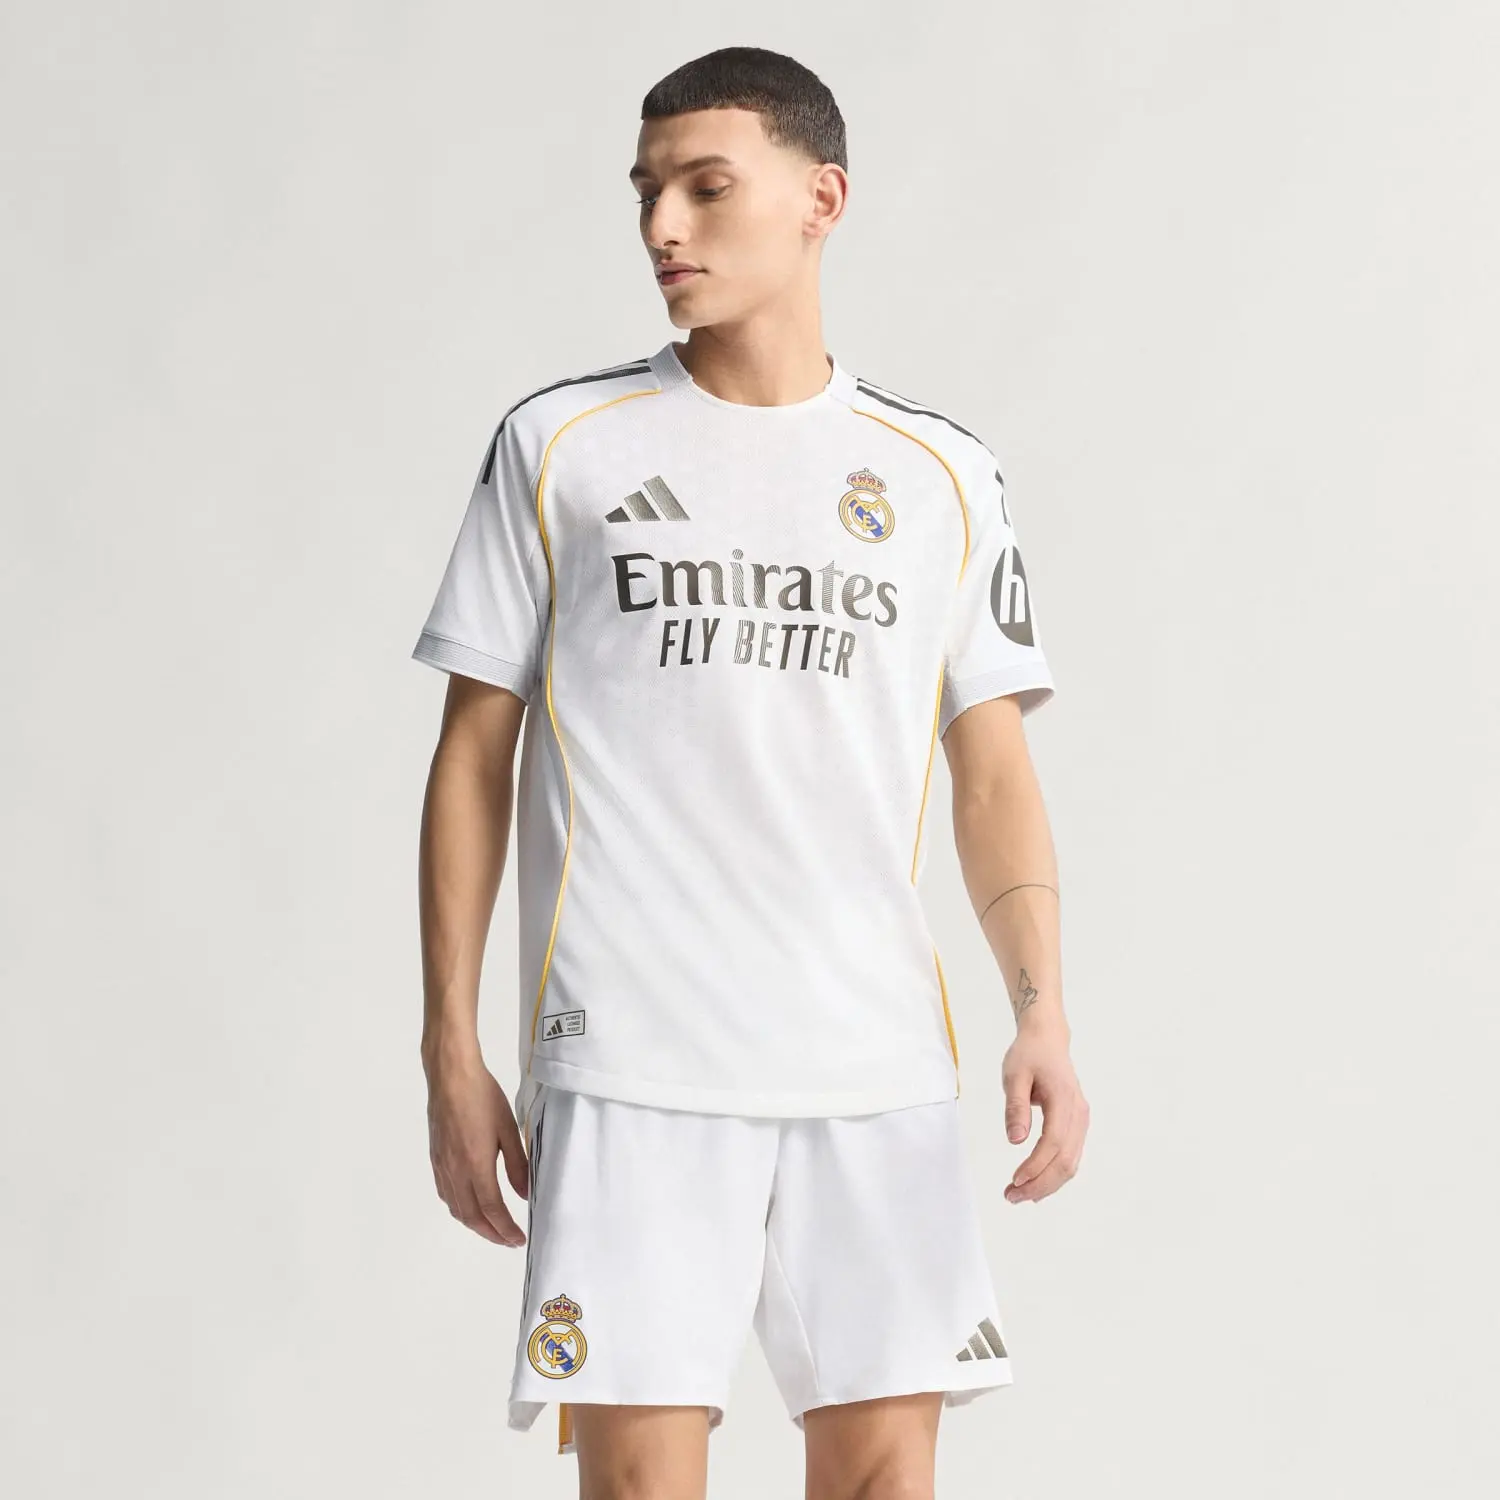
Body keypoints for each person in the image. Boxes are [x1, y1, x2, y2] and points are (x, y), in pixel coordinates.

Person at [410, 44, 1089, 1500]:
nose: (664, 225)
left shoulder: (942, 474)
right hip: (632, 1054)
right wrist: (447, 1046)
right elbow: (472, 756)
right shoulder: (561, 445)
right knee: (641, 1487)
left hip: (872, 1055)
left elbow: (991, 773)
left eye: (706, 188)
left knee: (885, 1479)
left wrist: (1041, 1009)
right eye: (647, 191)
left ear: (820, 199)